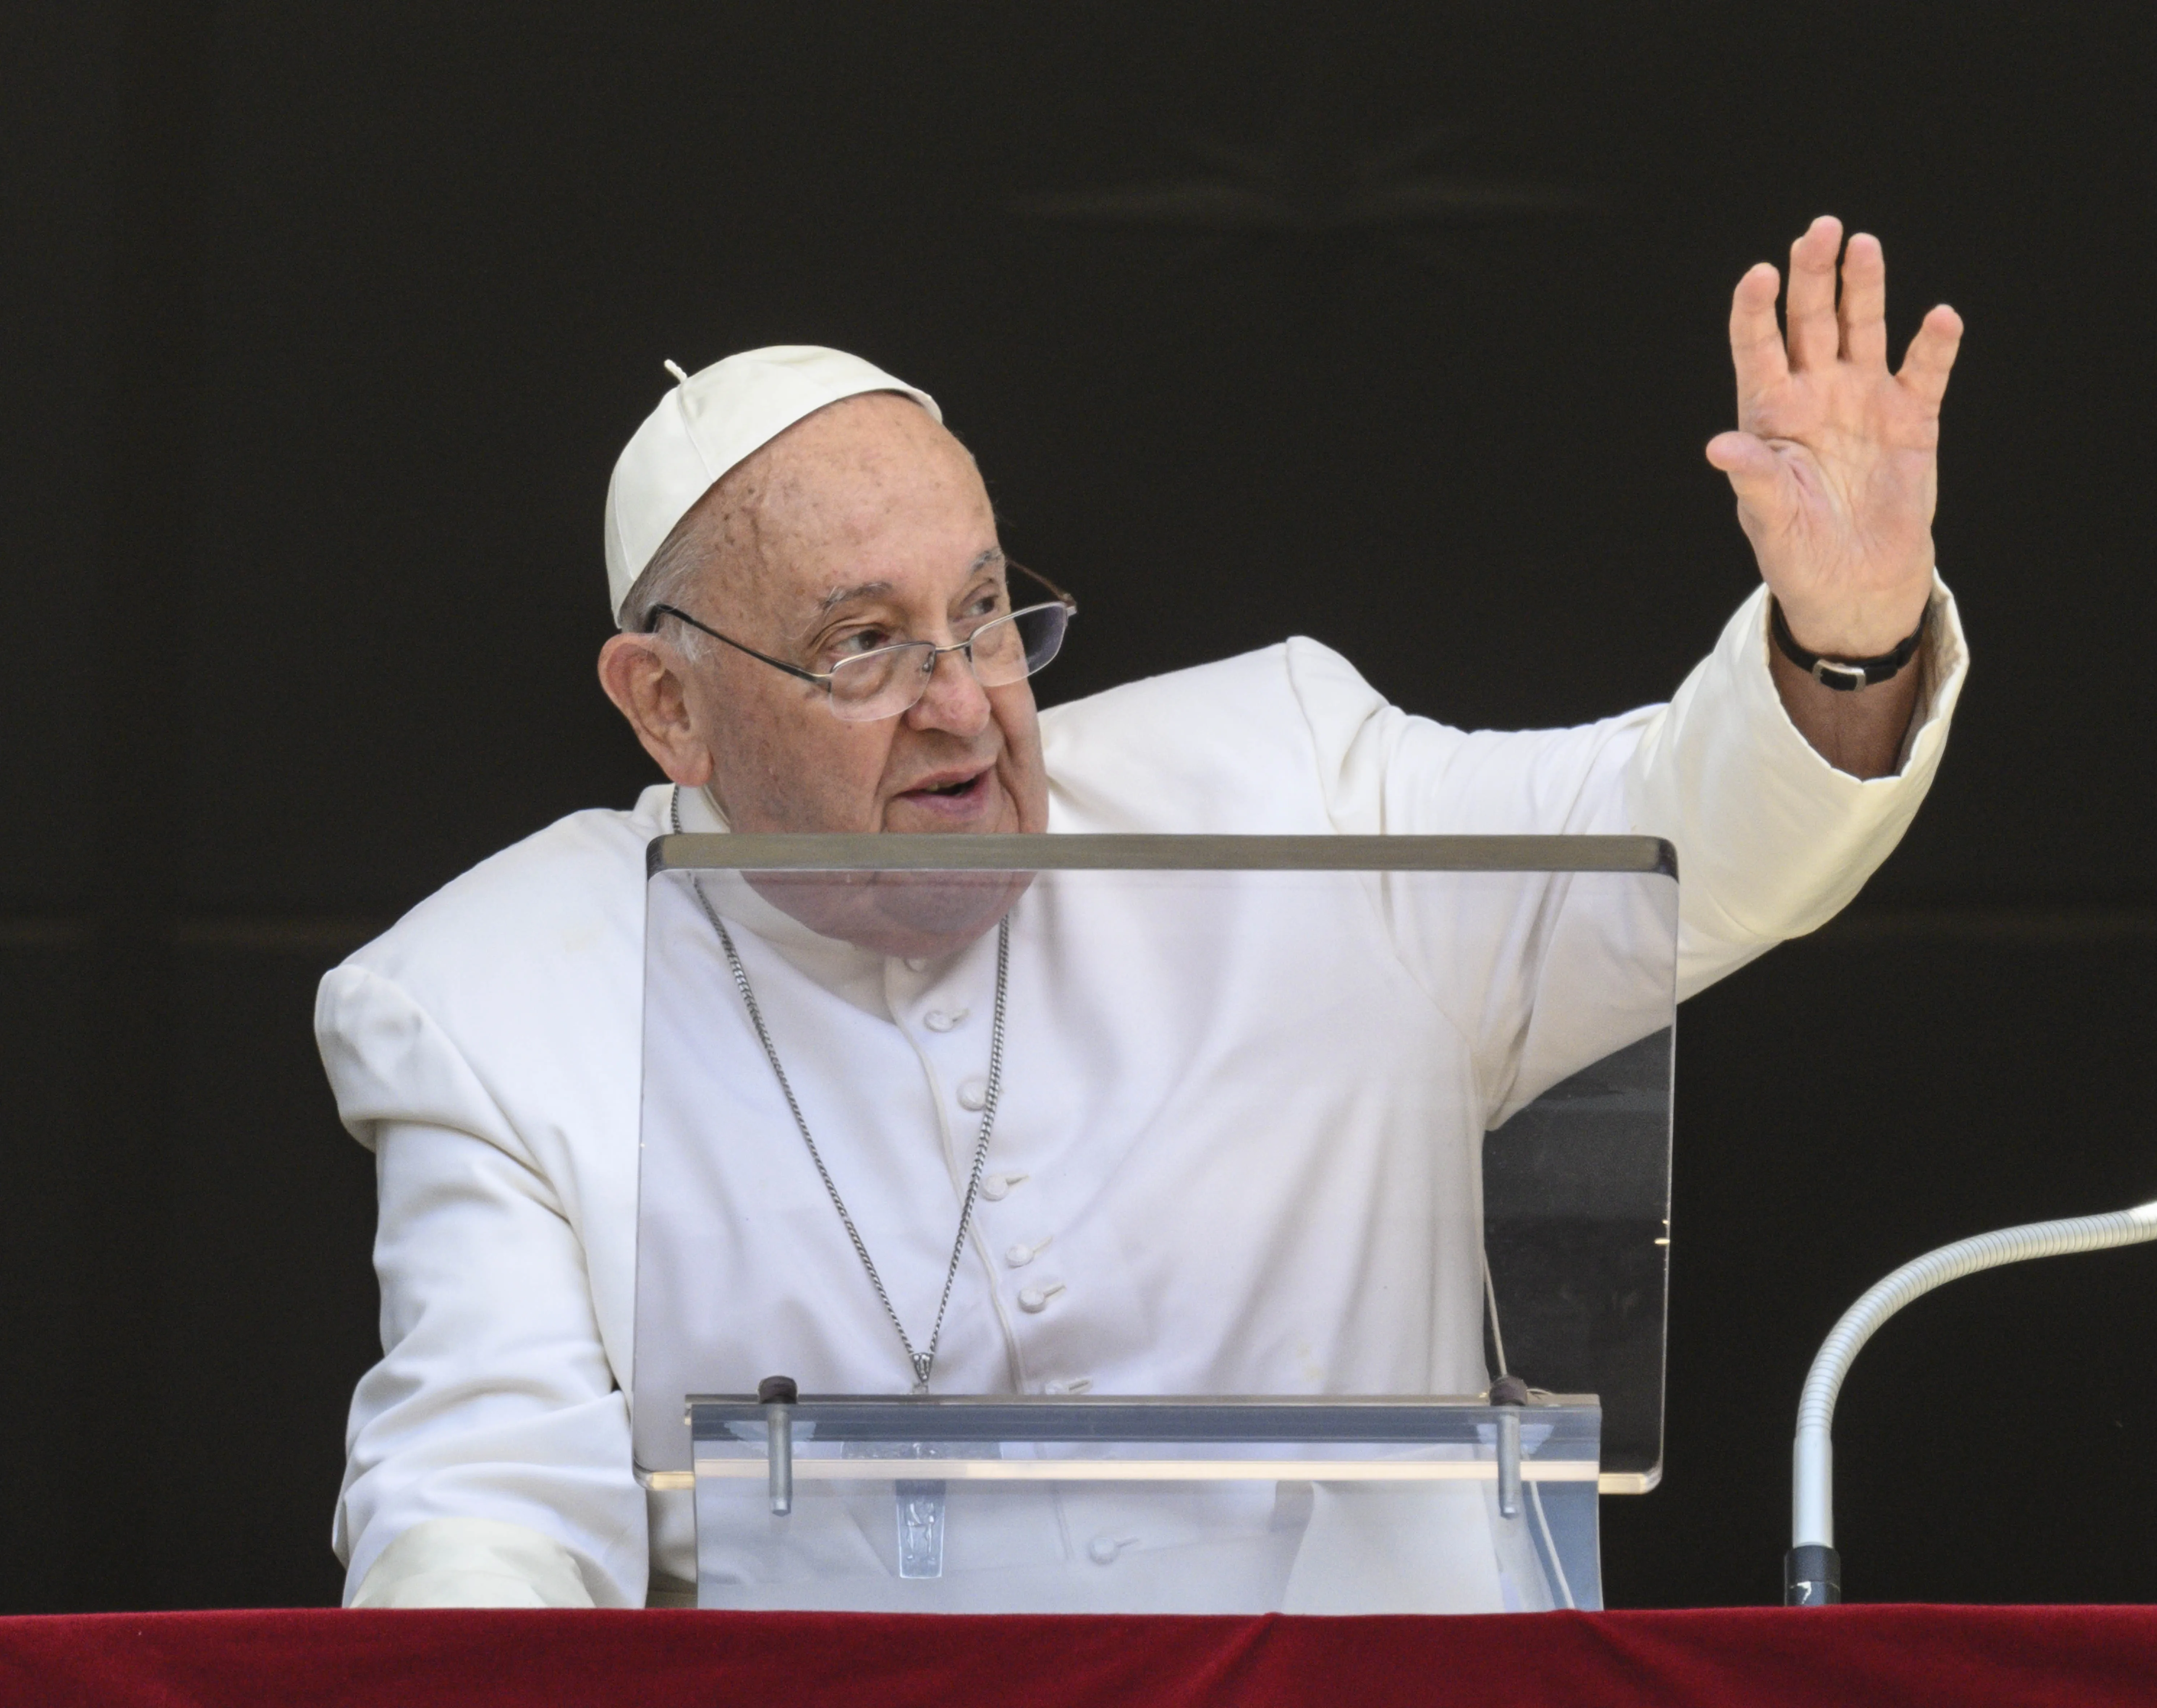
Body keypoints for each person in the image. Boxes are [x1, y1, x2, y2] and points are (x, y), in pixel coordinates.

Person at [318, 216, 1972, 1608]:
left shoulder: (1283, 776)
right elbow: (481, 1514)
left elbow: (1683, 840)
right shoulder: (493, 997)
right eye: (862, 647)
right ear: (665, 707)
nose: (965, 705)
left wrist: (1848, 636)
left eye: (982, 612)